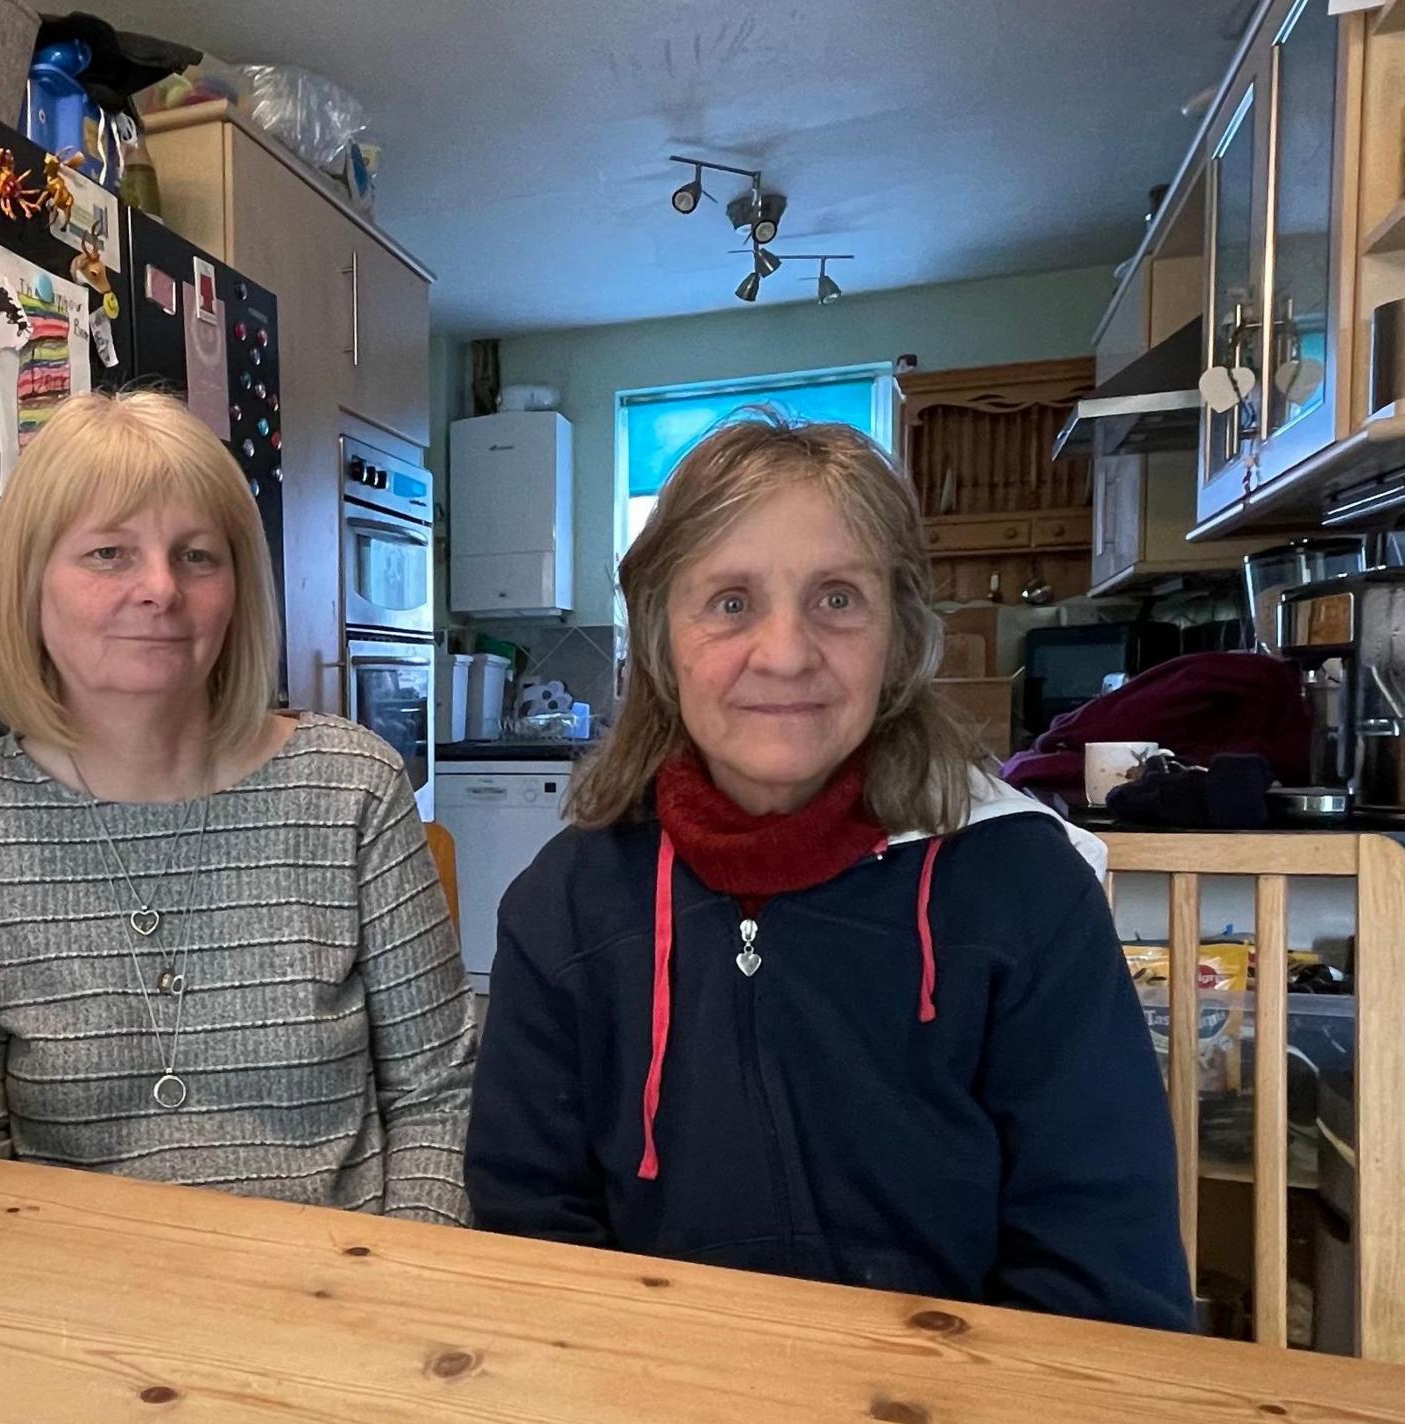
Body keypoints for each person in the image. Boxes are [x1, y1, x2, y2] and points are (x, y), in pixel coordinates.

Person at [464, 413, 1191, 1328]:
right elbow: (532, 1240)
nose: (785, 651)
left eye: (838, 597)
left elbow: (1105, 1276)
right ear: (659, 637)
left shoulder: (1027, 894)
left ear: (899, 635)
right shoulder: (565, 908)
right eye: (730, 601)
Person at [0, 391, 474, 1223]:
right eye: (108, 554)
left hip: (348, 1292)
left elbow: (437, 1097)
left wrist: (403, 1289)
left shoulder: (354, 787)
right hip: (80, 1311)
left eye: (198, 556)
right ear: (29, 583)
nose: (160, 588)